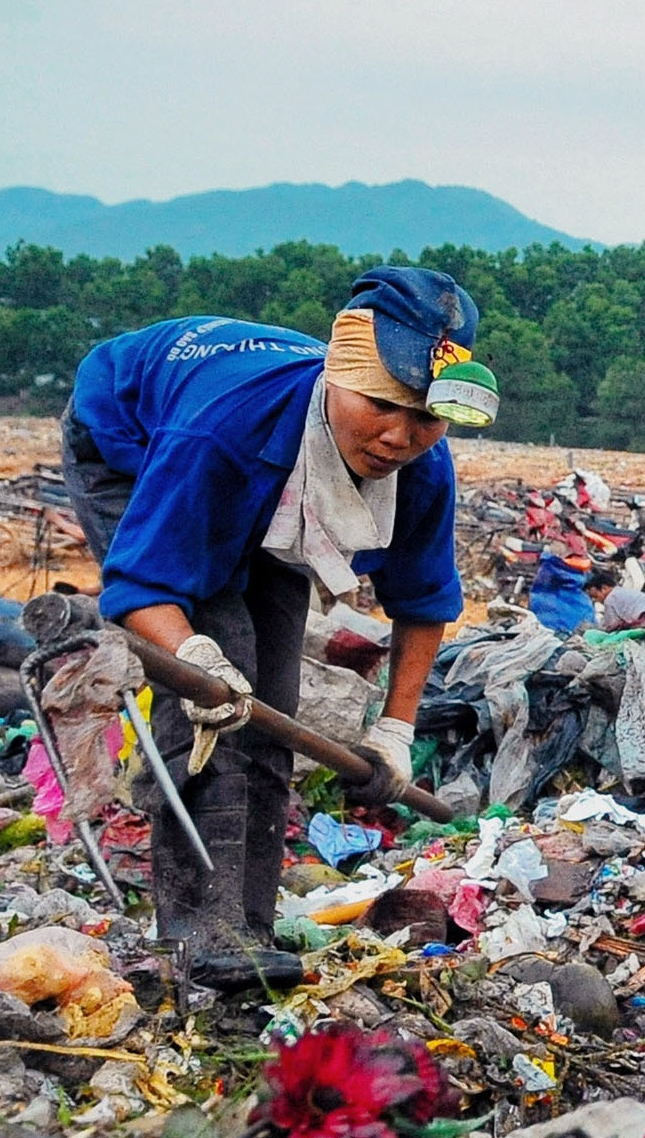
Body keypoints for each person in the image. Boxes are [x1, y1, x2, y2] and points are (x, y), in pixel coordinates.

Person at [62, 266, 495, 989]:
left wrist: (395, 729)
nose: (398, 435)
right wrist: (195, 656)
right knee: (217, 664)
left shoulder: (421, 463)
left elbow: (423, 600)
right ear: (337, 379)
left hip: (273, 481)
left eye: (425, 417)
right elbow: (142, 586)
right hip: (133, 444)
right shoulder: (220, 429)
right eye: (381, 405)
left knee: (272, 694)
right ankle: (199, 931)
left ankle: (249, 926)